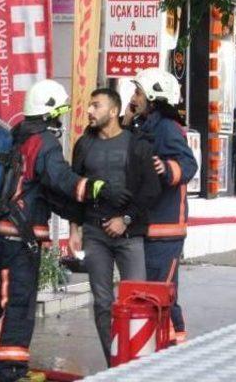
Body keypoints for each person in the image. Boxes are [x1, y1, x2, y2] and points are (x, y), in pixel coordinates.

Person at [0, 79, 131, 382]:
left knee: (3, 300)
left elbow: (43, 192)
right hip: (19, 238)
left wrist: (76, 217)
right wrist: (95, 187)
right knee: (19, 302)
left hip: (1, 235)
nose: (60, 119)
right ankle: (11, 370)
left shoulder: (19, 135)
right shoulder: (43, 142)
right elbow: (60, 178)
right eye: (59, 112)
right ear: (50, 112)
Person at [68, 87, 161, 365]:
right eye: (89, 106)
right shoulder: (84, 145)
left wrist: (126, 219)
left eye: (96, 106)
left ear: (112, 111)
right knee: (102, 303)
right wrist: (74, 228)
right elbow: (75, 187)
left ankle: (138, 364)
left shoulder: (137, 145)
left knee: (138, 301)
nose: (90, 111)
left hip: (130, 234)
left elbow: (151, 189)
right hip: (94, 234)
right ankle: (115, 363)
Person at [123, 68, 198, 344]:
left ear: (154, 98)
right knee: (154, 293)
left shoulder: (166, 128)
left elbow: (189, 165)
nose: (134, 97)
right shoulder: (143, 127)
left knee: (161, 293)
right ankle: (165, 348)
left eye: (139, 93)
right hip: (147, 226)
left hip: (165, 229)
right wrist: (127, 120)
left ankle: (172, 350)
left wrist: (165, 168)